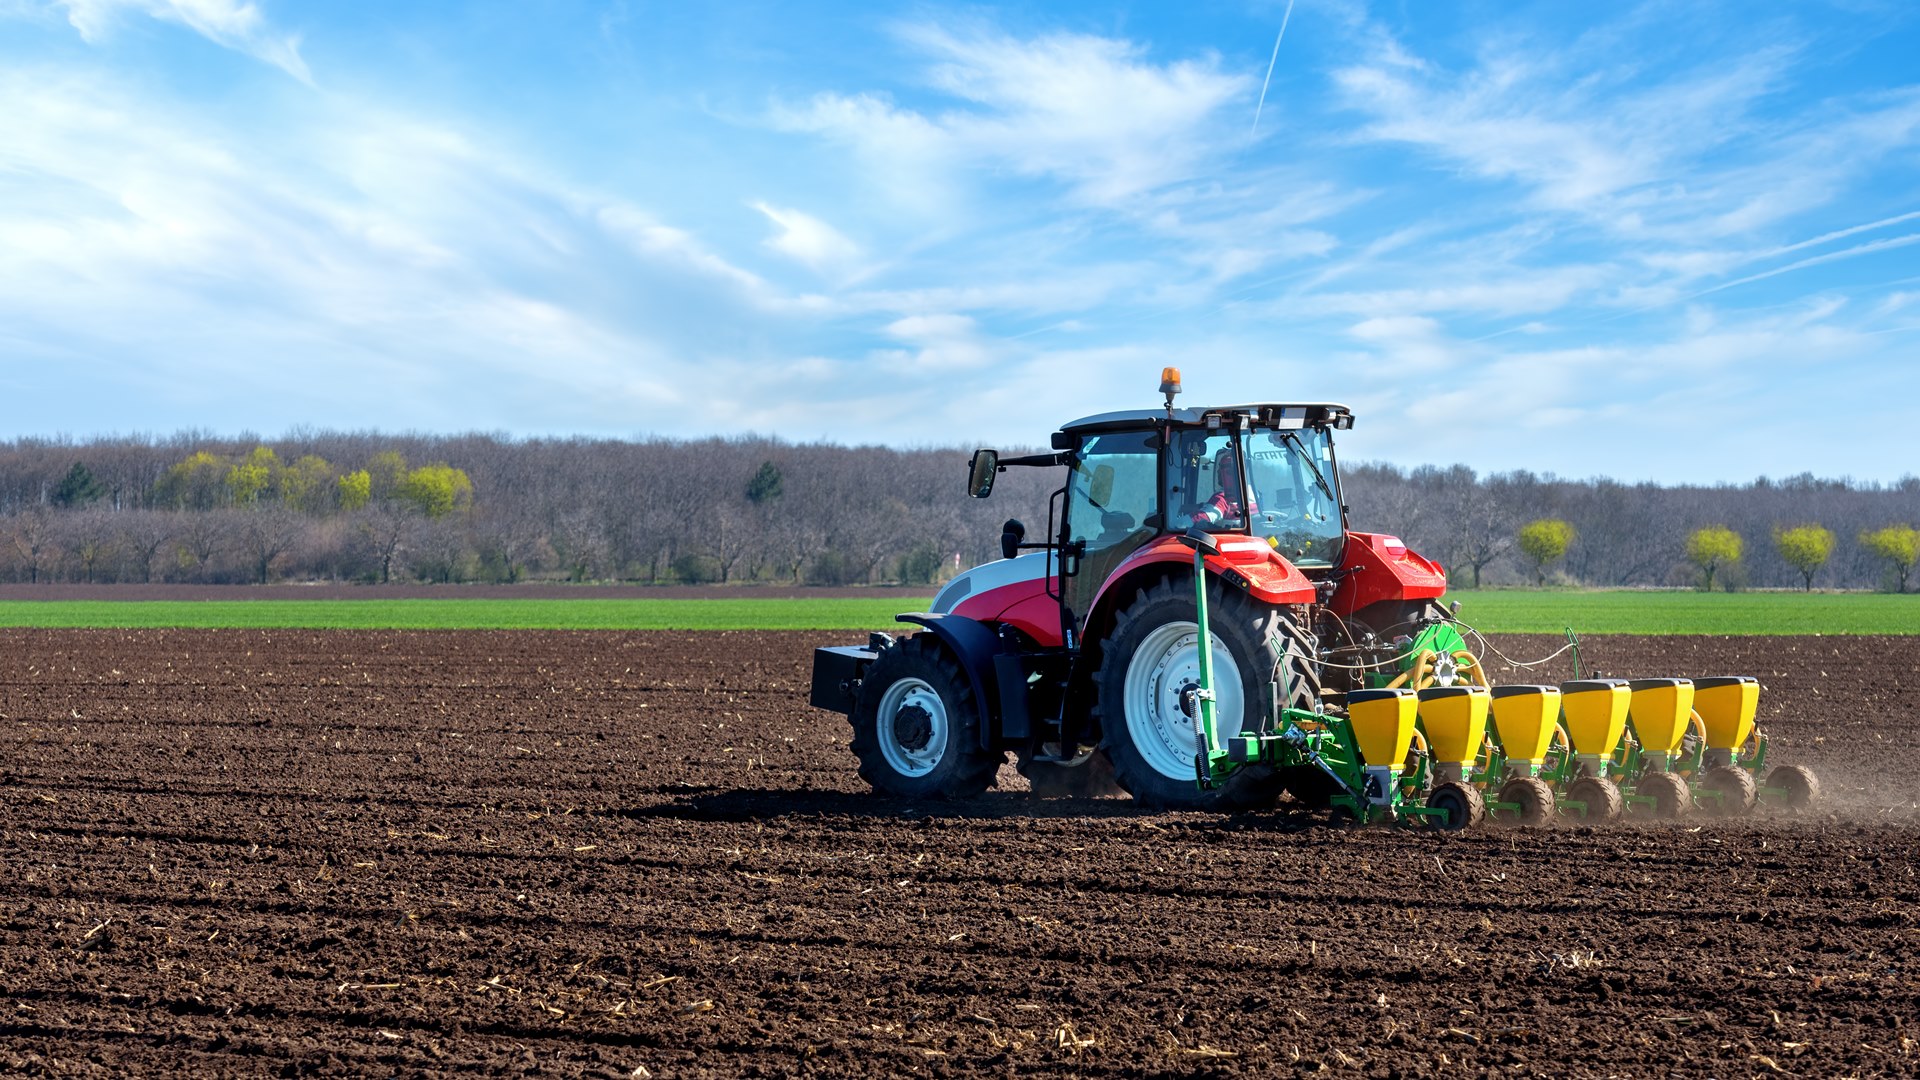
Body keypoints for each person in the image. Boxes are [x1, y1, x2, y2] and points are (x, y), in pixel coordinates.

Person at [1192, 450, 1256, 525]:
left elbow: (1202, 517)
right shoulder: (1254, 495)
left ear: (1231, 472)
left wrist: (1177, 523)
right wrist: (1200, 506)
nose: (1218, 471)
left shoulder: (1224, 497)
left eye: (1221, 468)